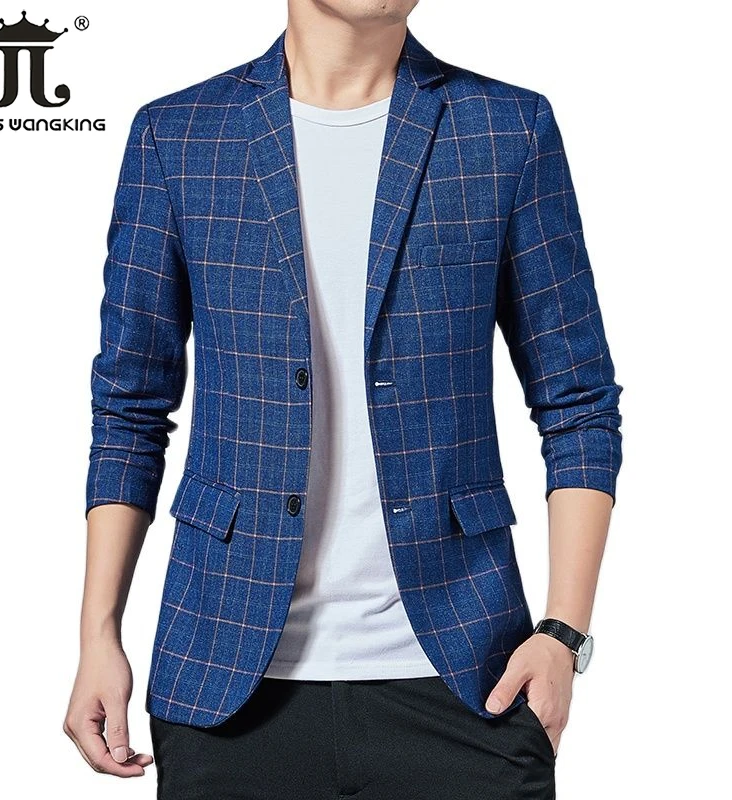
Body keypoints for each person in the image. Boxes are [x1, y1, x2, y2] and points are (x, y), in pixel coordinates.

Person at [64, 2, 623, 798]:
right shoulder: (179, 135)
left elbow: (579, 401)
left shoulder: (506, 129)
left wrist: (563, 634)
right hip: (226, 678)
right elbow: (130, 405)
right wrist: (98, 634)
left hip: (470, 675)